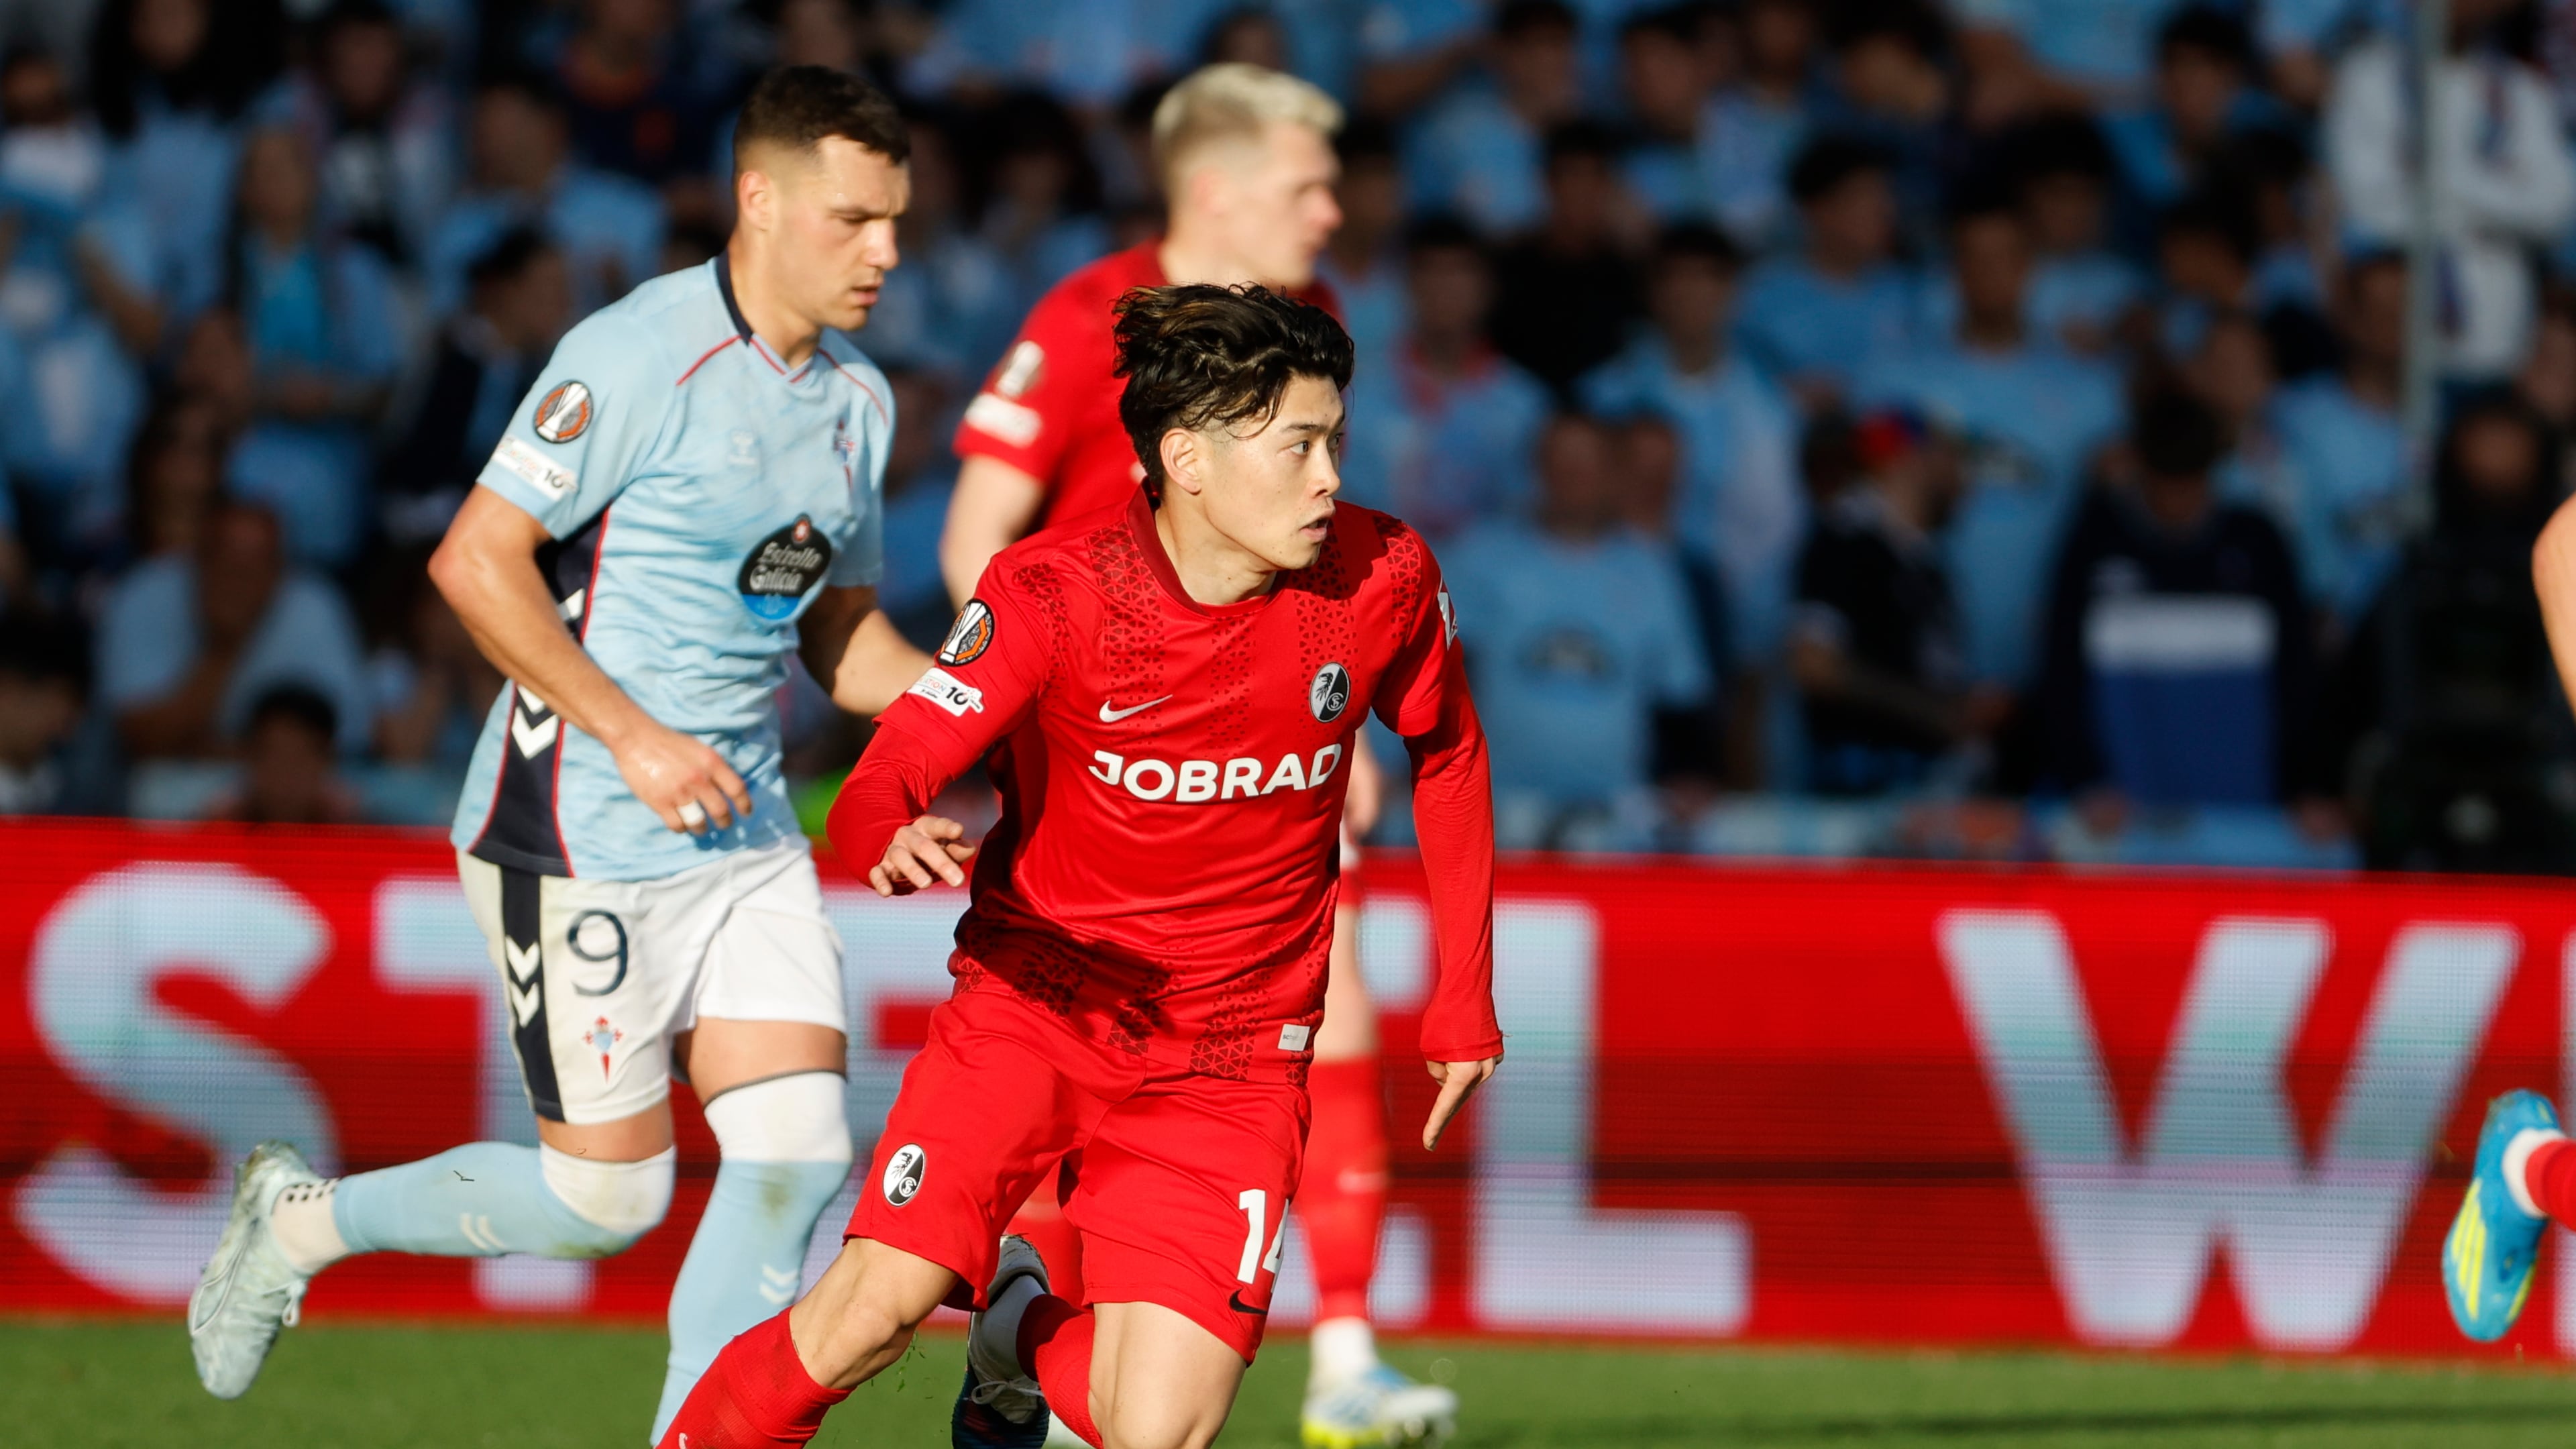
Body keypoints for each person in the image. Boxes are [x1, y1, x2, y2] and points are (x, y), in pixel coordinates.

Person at [184, 68, 933, 1447]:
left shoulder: (859, 404)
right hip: (576, 822)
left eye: (895, 220)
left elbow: (833, 628)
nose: (886, 251)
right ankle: (302, 1223)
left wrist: (963, 708)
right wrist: (636, 737)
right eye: (854, 219)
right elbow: (474, 561)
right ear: (759, 202)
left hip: (747, 830)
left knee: (794, 1161)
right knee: (608, 1201)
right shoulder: (636, 354)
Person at [658, 281, 1501, 1449]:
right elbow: (883, 776)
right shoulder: (1053, 593)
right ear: (1187, 459)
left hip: (1231, 1054)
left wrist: (1463, 1003)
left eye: (1337, 442)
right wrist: (885, 827)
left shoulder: (1382, 577)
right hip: (1034, 1009)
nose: (1328, 478)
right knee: (870, 1318)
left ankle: (1012, 1336)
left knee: (1157, 1437)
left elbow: (1450, 754)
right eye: (1299, 444)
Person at [939, 63, 1456, 1447]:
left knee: (1321, 999)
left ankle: (1340, 1351)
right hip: (1106, 745)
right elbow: (975, 524)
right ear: (1216, 192)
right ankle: (1043, 1332)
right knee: (1081, 1029)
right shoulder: (1083, 316)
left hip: (1256, 731)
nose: (1334, 212)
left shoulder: (1313, 326)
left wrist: (1332, 708)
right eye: (1306, 186)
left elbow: (1317, 541)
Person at [2032, 390, 2312, 816]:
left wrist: (2302, 787)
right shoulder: (2096, 538)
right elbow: (2060, 669)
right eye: (2165, 483)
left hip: (2245, 813)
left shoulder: (2259, 542)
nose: (2178, 502)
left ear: (2215, 471)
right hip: (2120, 816)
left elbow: (2297, 674)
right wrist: (2084, 782)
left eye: (2192, 482)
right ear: (2140, 469)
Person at [1442, 410, 1712, 833]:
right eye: (1562, 462)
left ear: (1613, 473)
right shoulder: (1478, 559)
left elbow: (1681, 698)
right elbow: (1434, 679)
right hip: (1495, 810)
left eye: (1588, 463)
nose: (1575, 477)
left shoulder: (1652, 571)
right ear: (1537, 468)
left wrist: (1686, 780)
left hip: (1619, 817)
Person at [97, 498, 372, 761]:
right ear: (198, 561)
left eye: (256, 565)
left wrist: (212, 753)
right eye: (228, 562)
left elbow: (346, 742)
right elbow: (142, 742)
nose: (239, 581)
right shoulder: (145, 594)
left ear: (281, 570)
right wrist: (224, 648)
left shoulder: (315, 605)